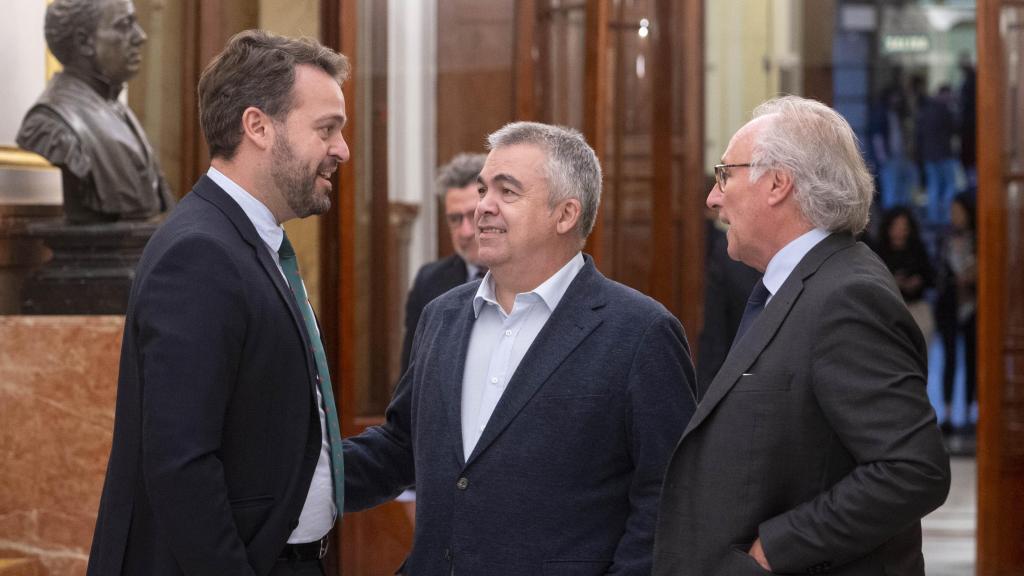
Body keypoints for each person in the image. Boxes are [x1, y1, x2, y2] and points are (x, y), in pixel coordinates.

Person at [345, 122, 696, 575]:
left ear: (565, 214)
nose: (481, 208)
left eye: (506, 192)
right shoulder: (442, 316)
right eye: (482, 189)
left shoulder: (641, 332)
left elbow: (667, 500)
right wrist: (303, 477)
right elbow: (401, 446)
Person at [86, 30, 350, 576]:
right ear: (257, 126)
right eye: (327, 128)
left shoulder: (251, 241)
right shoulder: (201, 252)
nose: (342, 150)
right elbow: (181, 466)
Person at [654, 96, 950, 576]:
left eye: (724, 174)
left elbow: (912, 470)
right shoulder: (795, 283)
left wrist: (772, 552)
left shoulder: (847, 295)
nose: (712, 197)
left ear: (777, 183)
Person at [16, 0, 175, 223]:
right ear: (84, 41)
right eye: (124, 25)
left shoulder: (116, 108)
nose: (140, 36)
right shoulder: (52, 122)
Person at [400, 153, 488, 373]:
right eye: (455, 219)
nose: (466, 232)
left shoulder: (526, 277)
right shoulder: (429, 282)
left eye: (474, 215)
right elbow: (412, 374)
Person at [936, 193, 977, 436]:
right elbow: (939, 272)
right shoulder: (945, 238)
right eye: (952, 211)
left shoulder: (980, 238)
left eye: (959, 211)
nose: (955, 216)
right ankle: (949, 413)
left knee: (973, 358)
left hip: (973, 303)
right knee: (950, 358)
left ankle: (972, 411)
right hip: (949, 304)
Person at [874, 206, 936, 348]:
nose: (900, 232)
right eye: (896, 227)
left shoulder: (918, 249)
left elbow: (930, 277)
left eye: (904, 227)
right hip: (888, 310)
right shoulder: (879, 251)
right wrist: (893, 281)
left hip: (916, 308)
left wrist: (917, 281)